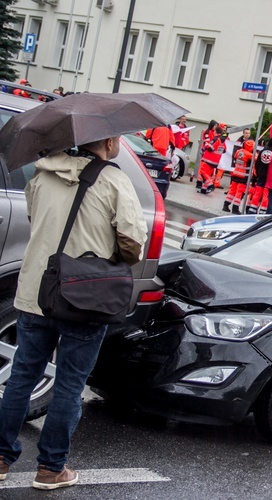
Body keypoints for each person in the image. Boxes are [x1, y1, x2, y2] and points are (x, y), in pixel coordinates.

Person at [0, 136, 147, 490]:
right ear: (109, 141)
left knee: (22, 376)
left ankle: (1, 457)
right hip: (86, 297)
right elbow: (132, 242)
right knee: (69, 382)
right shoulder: (113, 180)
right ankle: (51, 468)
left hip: (37, 290)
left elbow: (38, 224)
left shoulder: (41, 175)